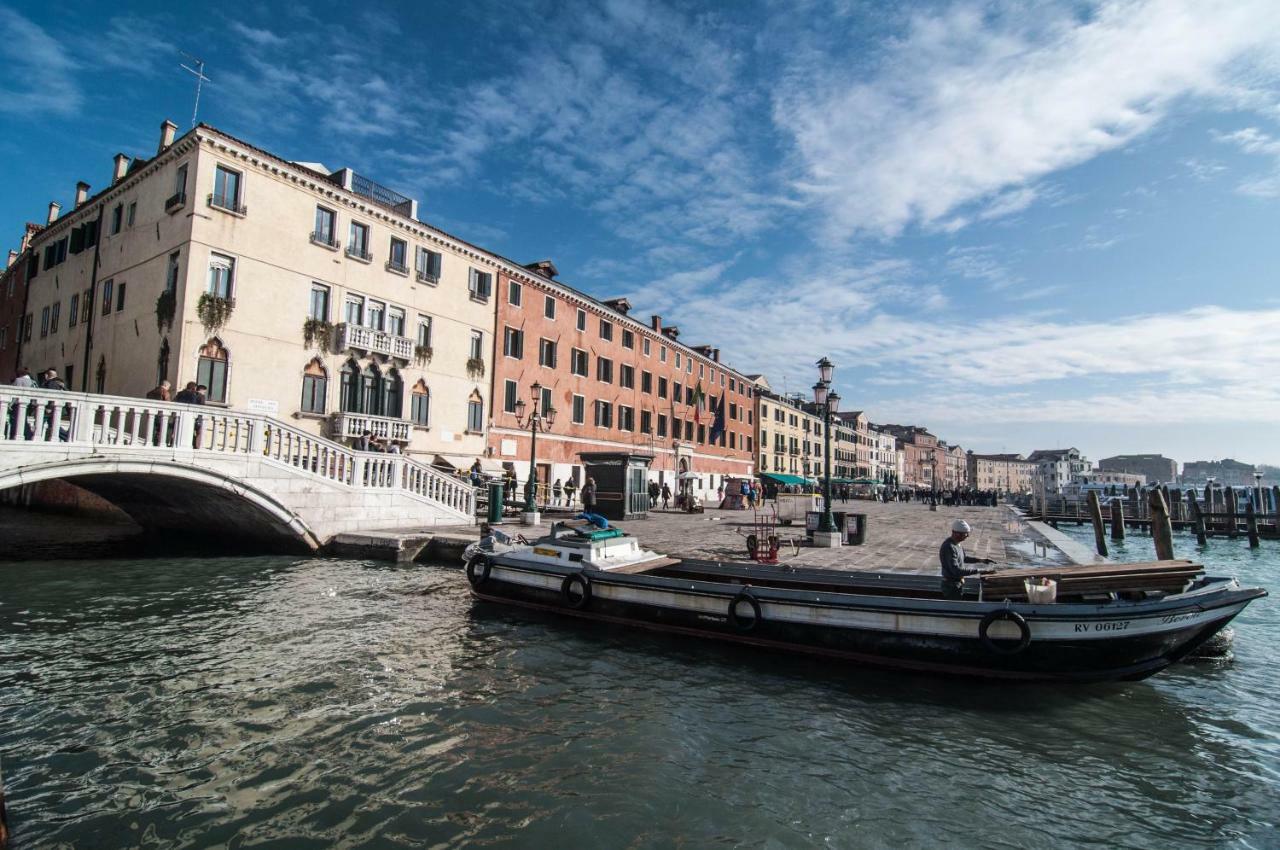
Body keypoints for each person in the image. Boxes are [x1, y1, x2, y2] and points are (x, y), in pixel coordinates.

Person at [939, 519, 996, 599]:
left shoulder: (957, 544)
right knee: (955, 606)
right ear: (957, 534)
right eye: (966, 534)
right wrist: (979, 571)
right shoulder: (949, 547)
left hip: (957, 583)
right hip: (951, 585)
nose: (968, 536)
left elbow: (964, 558)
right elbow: (956, 571)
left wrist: (982, 560)